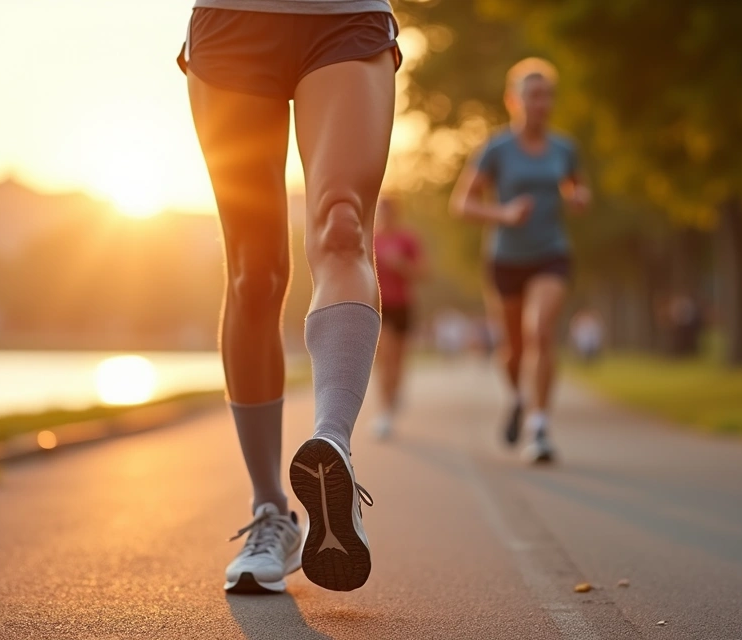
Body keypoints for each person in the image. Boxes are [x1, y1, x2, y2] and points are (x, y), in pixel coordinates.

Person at [177, 0, 400, 594]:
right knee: (254, 271)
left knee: (341, 224)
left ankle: (333, 449)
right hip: (233, 22)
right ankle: (271, 510)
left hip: (344, 19)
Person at [449, 57, 591, 463]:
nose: (540, 103)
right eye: (532, 96)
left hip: (551, 252)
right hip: (506, 258)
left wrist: (578, 198)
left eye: (546, 96)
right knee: (512, 350)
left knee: (540, 333)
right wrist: (504, 214)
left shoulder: (565, 148)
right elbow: (462, 204)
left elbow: (577, 188)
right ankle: (518, 397)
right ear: (515, 101)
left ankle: (539, 428)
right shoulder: (497, 148)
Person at [371, 196, 426, 439]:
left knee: (399, 360)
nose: (385, 216)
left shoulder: (407, 239)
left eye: (389, 211)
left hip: (403, 304)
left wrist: (400, 265)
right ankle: (384, 412)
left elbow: (424, 272)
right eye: (381, 212)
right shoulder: (372, 240)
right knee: (386, 357)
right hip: (379, 306)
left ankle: (393, 397)